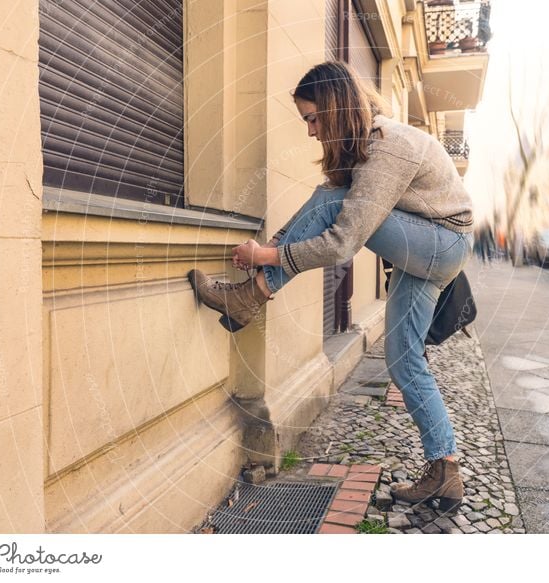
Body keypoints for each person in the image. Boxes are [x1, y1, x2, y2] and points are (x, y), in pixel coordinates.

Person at [187, 62, 474, 512]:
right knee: (404, 362)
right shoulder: (368, 146)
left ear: (336, 108)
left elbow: (342, 241)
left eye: (313, 119)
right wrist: (276, 249)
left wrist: (267, 255)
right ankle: (445, 472)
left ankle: (250, 295)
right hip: (427, 248)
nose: (310, 132)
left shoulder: (388, 147)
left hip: (442, 243)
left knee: (328, 202)